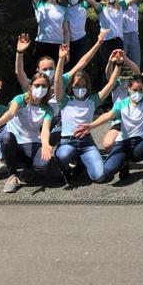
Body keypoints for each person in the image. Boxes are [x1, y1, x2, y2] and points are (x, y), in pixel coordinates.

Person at [78, 52, 143, 187]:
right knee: (103, 176)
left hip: (141, 144)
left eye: (141, 90)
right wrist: (91, 126)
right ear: (128, 88)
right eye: (134, 89)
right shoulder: (122, 103)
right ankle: (123, 162)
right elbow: (108, 116)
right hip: (123, 144)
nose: (137, 93)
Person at [51, 43, 119, 187]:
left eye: (82, 86)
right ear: (71, 87)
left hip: (86, 143)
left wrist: (118, 64)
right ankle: (66, 171)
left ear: (87, 86)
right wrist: (61, 59)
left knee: (99, 176)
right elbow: (57, 81)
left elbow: (111, 83)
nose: (79, 88)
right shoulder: (64, 100)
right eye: (76, 86)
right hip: (67, 141)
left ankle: (81, 162)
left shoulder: (93, 100)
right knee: (63, 155)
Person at [0, 71, 57, 194]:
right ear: (31, 86)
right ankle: (12, 175)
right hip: (14, 142)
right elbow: (11, 113)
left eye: (44, 86)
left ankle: (28, 168)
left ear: (48, 88)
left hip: (31, 142)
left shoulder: (48, 109)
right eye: (37, 85)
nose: (40, 88)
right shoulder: (20, 99)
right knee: (6, 137)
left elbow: (45, 129)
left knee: (43, 166)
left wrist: (45, 144)